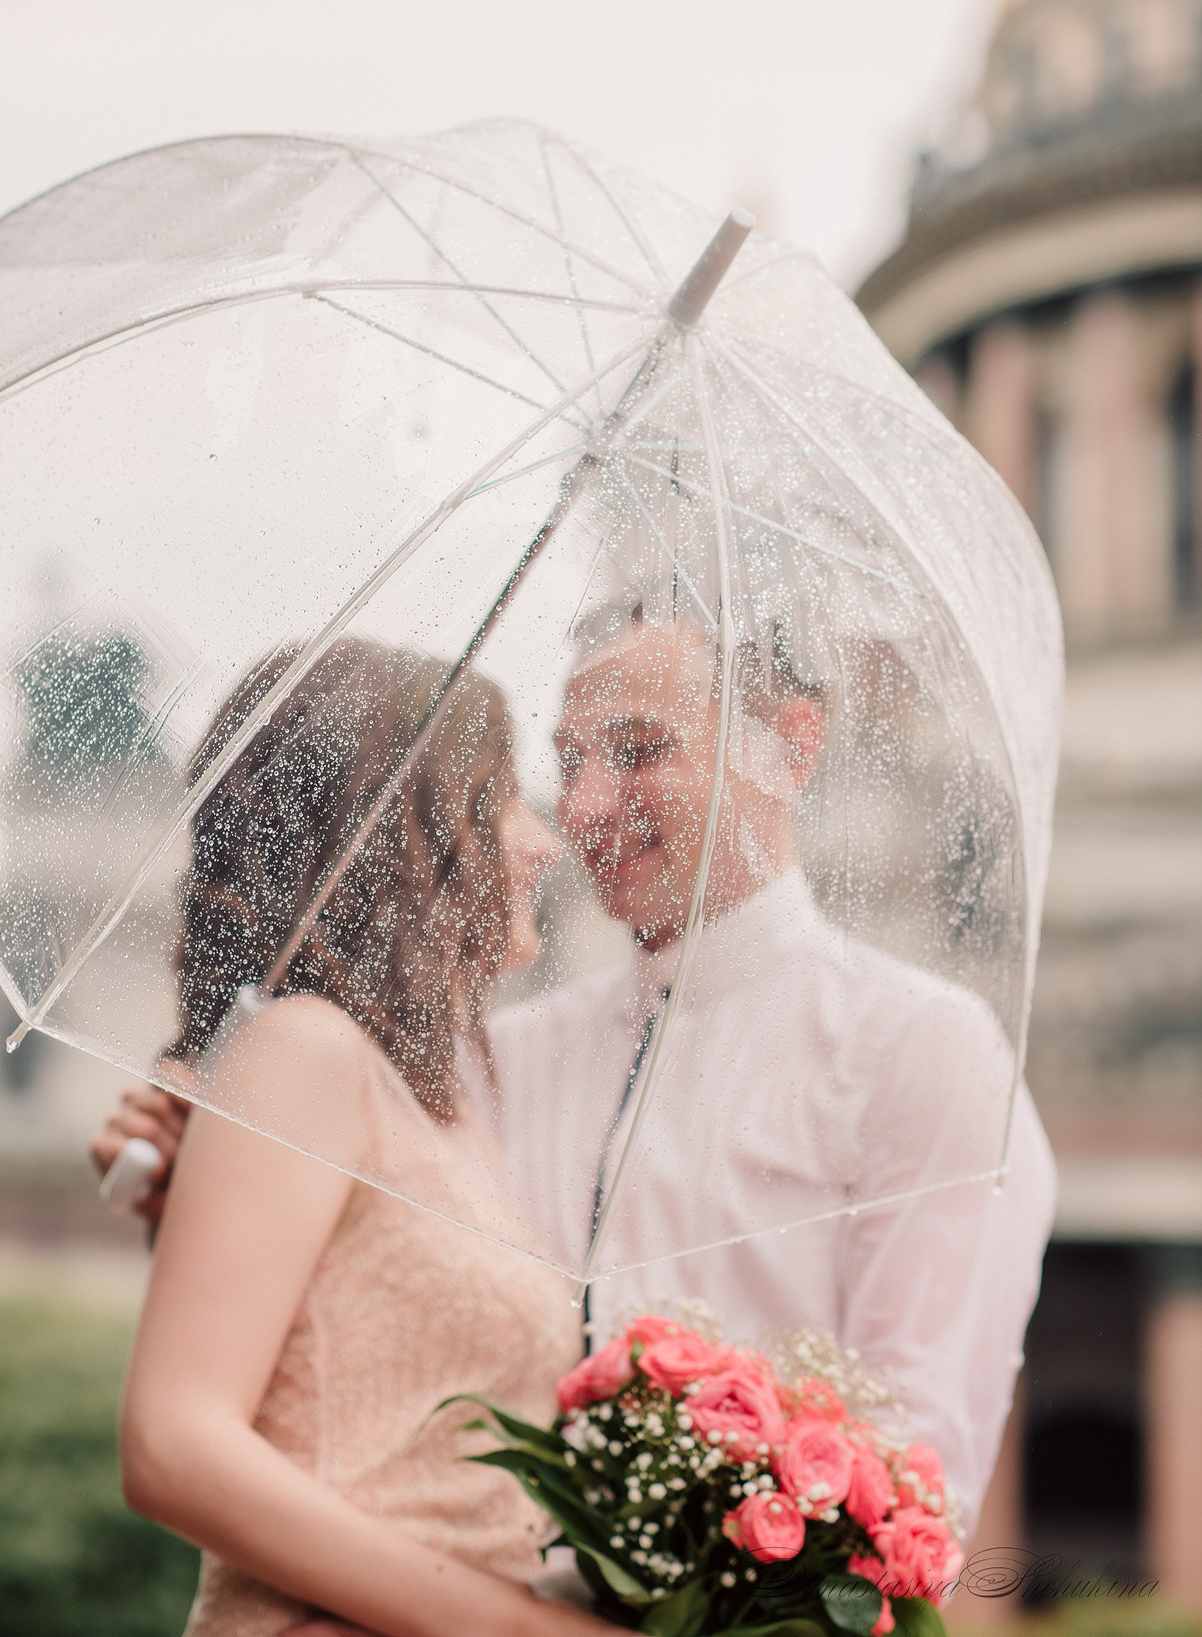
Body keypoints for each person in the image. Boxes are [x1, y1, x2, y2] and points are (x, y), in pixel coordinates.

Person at [97, 617, 1055, 1549]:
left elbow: (917, 1484)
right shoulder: (493, 1059)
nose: (586, 806)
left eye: (639, 752)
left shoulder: (922, 1052)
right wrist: (203, 1181)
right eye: (567, 760)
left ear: (789, 749)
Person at [116, 637, 610, 1637]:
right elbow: (174, 1443)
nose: (542, 840)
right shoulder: (304, 1051)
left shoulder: (442, 1102)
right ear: (413, 830)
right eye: (507, 794)